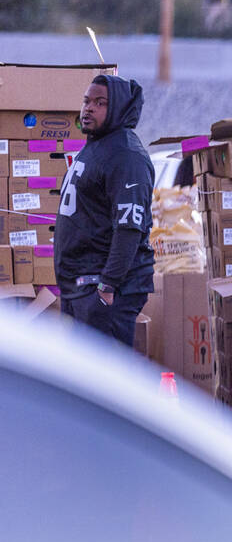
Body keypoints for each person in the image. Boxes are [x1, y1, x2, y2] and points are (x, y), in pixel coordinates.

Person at [55, 74, 155, 346]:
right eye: (87, 101)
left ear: (119, 108)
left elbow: (129, 228)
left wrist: (107, 287)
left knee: (99, 381)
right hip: (80, 287)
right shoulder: (96, 146)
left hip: (103, 290)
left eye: (100, 103)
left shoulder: (126, 156)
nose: (88, 108)